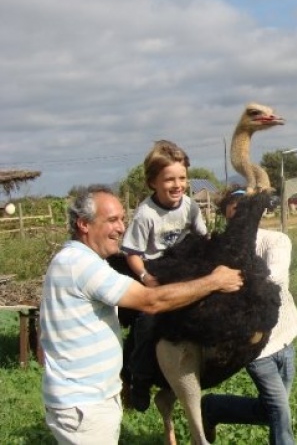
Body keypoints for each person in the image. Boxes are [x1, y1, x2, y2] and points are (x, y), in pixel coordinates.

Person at [40, 185, 242, 445]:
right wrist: (214, 281)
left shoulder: (75, 262)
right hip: (84, 404)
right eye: (112, 220)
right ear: (84, 225)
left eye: (123, 219)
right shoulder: (80, 265)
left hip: (87, 397)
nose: (121, 228)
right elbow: (151, 301)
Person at [201, 188, 297, 445]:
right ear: (225, 213)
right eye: (233, 207)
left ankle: (214, 407)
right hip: (254, 346)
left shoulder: (276, 241)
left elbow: (275, 278)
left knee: (269, 411)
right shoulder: (220, 250)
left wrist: (231, 281)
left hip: (285, 335)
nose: (239, 212)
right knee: (280, 411)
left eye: (245, 206)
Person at [121, 139, 208, 411]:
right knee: (148, 323)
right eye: (169, 179)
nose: (178, 185)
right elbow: (132, 252)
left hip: (183, 267)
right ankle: (141, 378)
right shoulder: (146, 214)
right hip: (155, 271)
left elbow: (202, 238)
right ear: (153, 182)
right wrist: (146, 277)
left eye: (182, 177)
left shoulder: (190, 207)